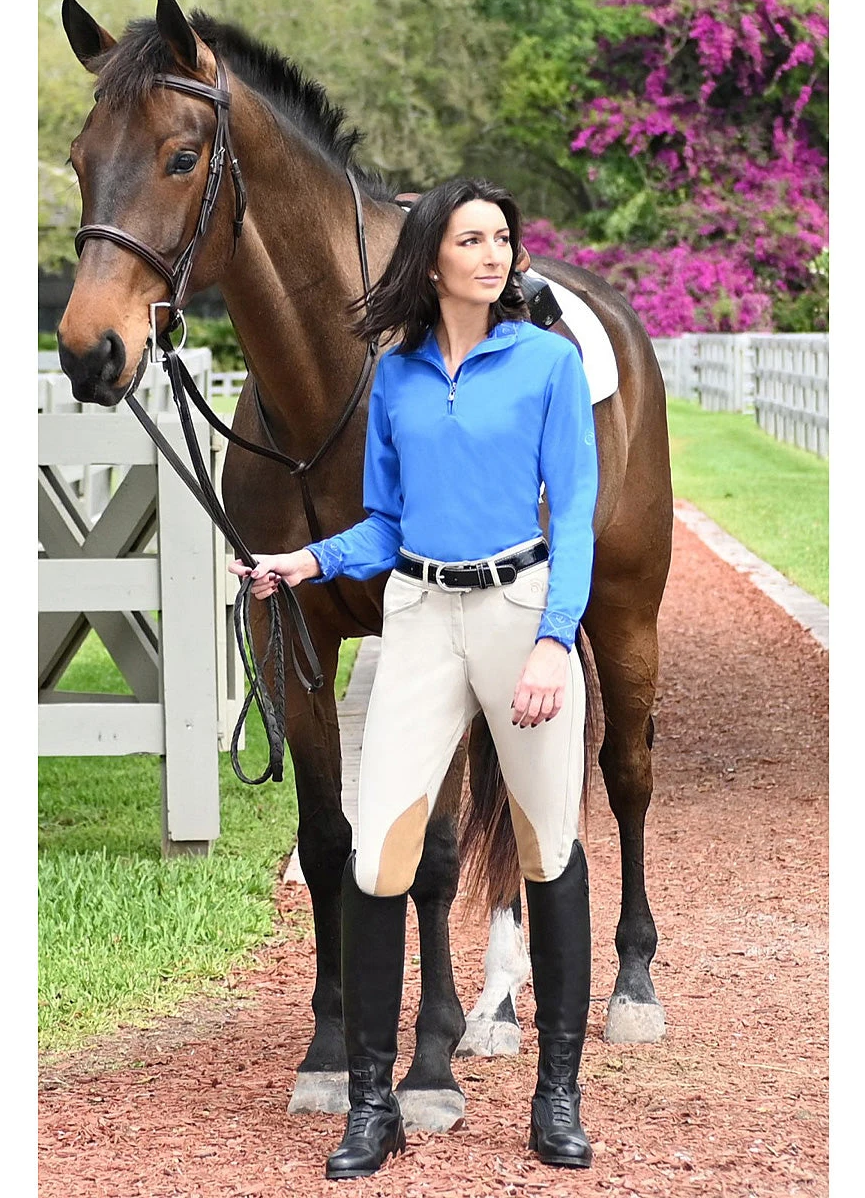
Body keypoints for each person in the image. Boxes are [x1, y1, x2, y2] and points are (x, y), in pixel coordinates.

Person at [230, 177, 599, 1179]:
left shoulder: (550, 364)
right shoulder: (394, 378)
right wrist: (304, 563)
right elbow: (387, 523)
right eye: (470, 239)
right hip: (422, 618)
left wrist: (555, 640)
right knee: (376, 858)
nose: (493, 254)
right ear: (431, 258)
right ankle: (371, 1105)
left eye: (502, 239)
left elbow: (574, 512)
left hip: (519, 611)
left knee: (548, 846)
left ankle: (556, 1098)